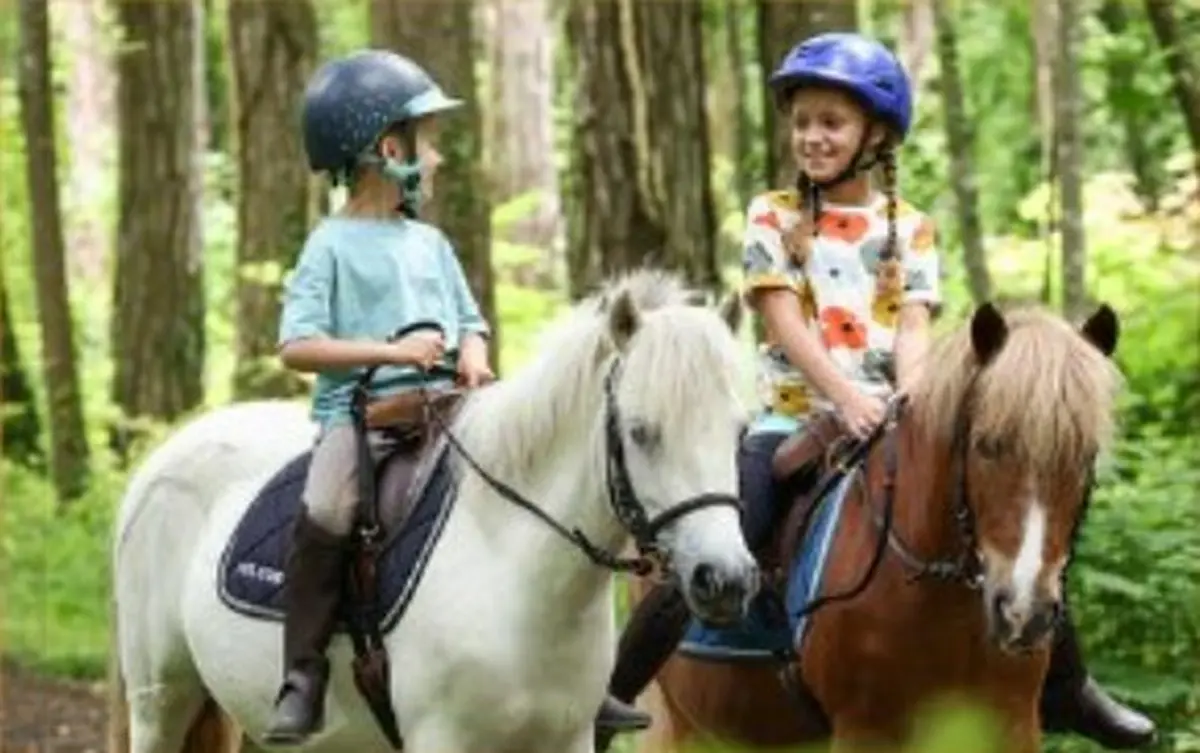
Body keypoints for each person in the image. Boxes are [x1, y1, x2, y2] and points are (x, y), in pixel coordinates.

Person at [597, 31, 1156, 751]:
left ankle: (1067, 684)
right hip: (789, 413)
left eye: (831, 122)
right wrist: (842, 394)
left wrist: (912, 394)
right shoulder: (773, 215)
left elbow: (913, 326)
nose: (812, 136)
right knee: (734, 520)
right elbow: (782, 316)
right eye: (802, 122)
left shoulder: (911, 229)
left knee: (1008, 518)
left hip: (888, 411)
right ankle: (619, 683)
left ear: (875, 135)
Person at [263, 49, 647, 745]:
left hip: (449, 412)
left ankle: (580, 682)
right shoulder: (330, 246)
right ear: (389, 148)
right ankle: (304, 673)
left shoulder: (430, 243)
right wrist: (389, 352)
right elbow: (297, 345)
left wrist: (474, 353)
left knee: (550, 508)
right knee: (325, 511)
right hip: (363, 419)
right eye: (427, 141)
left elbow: (469, 320)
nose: (436, 158)